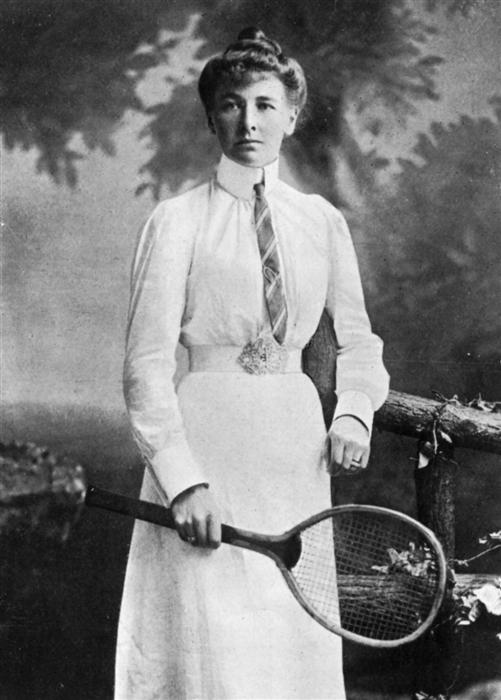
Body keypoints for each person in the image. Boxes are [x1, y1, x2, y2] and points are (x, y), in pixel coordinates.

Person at [117, 27, 389, 700]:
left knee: (286, 638)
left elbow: (358, 341)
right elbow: (145, 368)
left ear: (291, 117)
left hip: (292, 452)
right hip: (207, 442)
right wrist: (183, 483)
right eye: (232, 105)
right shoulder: (177, 221)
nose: (249, 122)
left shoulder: (320, 221)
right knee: (207, 641)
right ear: (212, 117)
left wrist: (354, 412)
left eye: (266, 105)